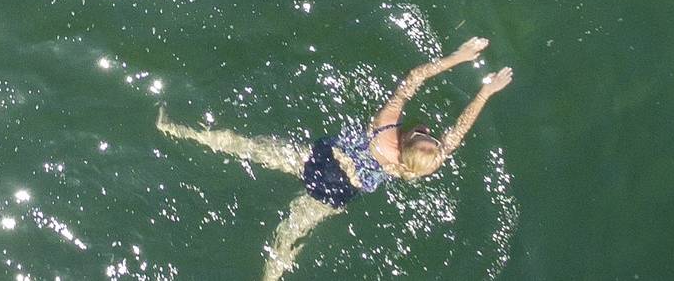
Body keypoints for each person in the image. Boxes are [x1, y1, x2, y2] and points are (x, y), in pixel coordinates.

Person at [157, 38, 513, 281]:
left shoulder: (386, 129)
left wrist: (459, 57)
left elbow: (414, 78)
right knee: (289, 237)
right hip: (337, 193)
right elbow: (458, 132)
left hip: (322, 158)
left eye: (425, 135)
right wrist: (486, 92)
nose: (432, 134)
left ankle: (181, 132)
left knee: (249, 147)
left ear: (410, 139)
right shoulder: (421, 166)